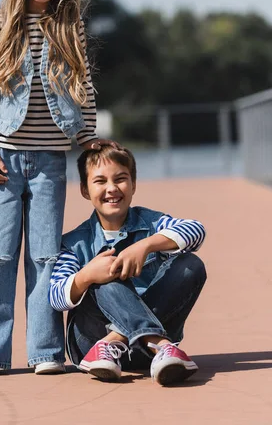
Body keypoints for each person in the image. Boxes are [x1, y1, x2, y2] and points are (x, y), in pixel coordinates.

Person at [0, 0, 111, 377]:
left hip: (49, 161)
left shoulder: (70, 26)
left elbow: (83, 87)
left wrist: (88, 141)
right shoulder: (0, 22)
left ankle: (45, 352)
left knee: (46, 255)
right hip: (4, 158)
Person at [49, 144, 207, 384]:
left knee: (190, 265)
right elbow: (56, 296)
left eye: (120, 179)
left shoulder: (150, 222)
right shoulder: (73, 243)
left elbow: (196, 230)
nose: (112, 188)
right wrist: (86, 276)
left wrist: (145, 246)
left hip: (145, 354)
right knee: (102, 274)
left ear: (133, 184)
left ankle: (119, 339)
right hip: (93, 348)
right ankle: (158, 344)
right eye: (100, 181)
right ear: (84, 190)